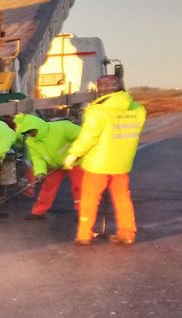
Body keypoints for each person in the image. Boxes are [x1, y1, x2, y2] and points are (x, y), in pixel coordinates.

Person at [63, 74, 146, 246]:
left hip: (98, 163)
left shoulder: (98, 111)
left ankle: (84, 235)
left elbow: (89, 137)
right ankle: (127, 233)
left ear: (101, 91)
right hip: (122, 162)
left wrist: (73, 154)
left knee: (90, 198)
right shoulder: (138, 110)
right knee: (122, 198)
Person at [14, 113, 83, 220]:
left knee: (79, 187)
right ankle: (38, 212)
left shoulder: (62, 127)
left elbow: (83, 137)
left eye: (31, 131)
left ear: (37, 126)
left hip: (76, 161)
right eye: (27, 132)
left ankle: (82, 213)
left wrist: (75, 154)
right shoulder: (31, 141)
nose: (30, 134)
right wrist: (40, 172)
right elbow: (38, 159)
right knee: (48, 186)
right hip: (55, 165)